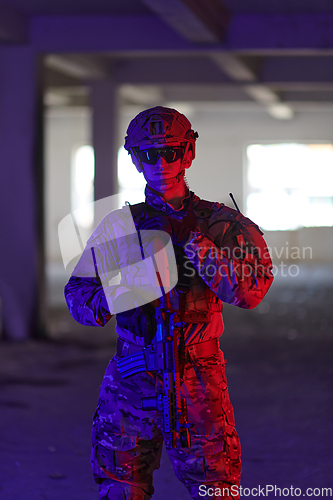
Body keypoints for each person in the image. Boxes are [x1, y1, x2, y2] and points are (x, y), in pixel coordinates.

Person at [64, 106, 274, 500]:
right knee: (121, 486)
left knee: (216, 489)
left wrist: (199, 246)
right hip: (131, 379)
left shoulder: (223, 225)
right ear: (134, 159)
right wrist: (129, 286)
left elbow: (250, 293)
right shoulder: (119, 227)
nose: (160, 163)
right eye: (148, 154)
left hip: (198, 379)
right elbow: (79, 299)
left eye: (170, 152)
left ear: (189, 153)